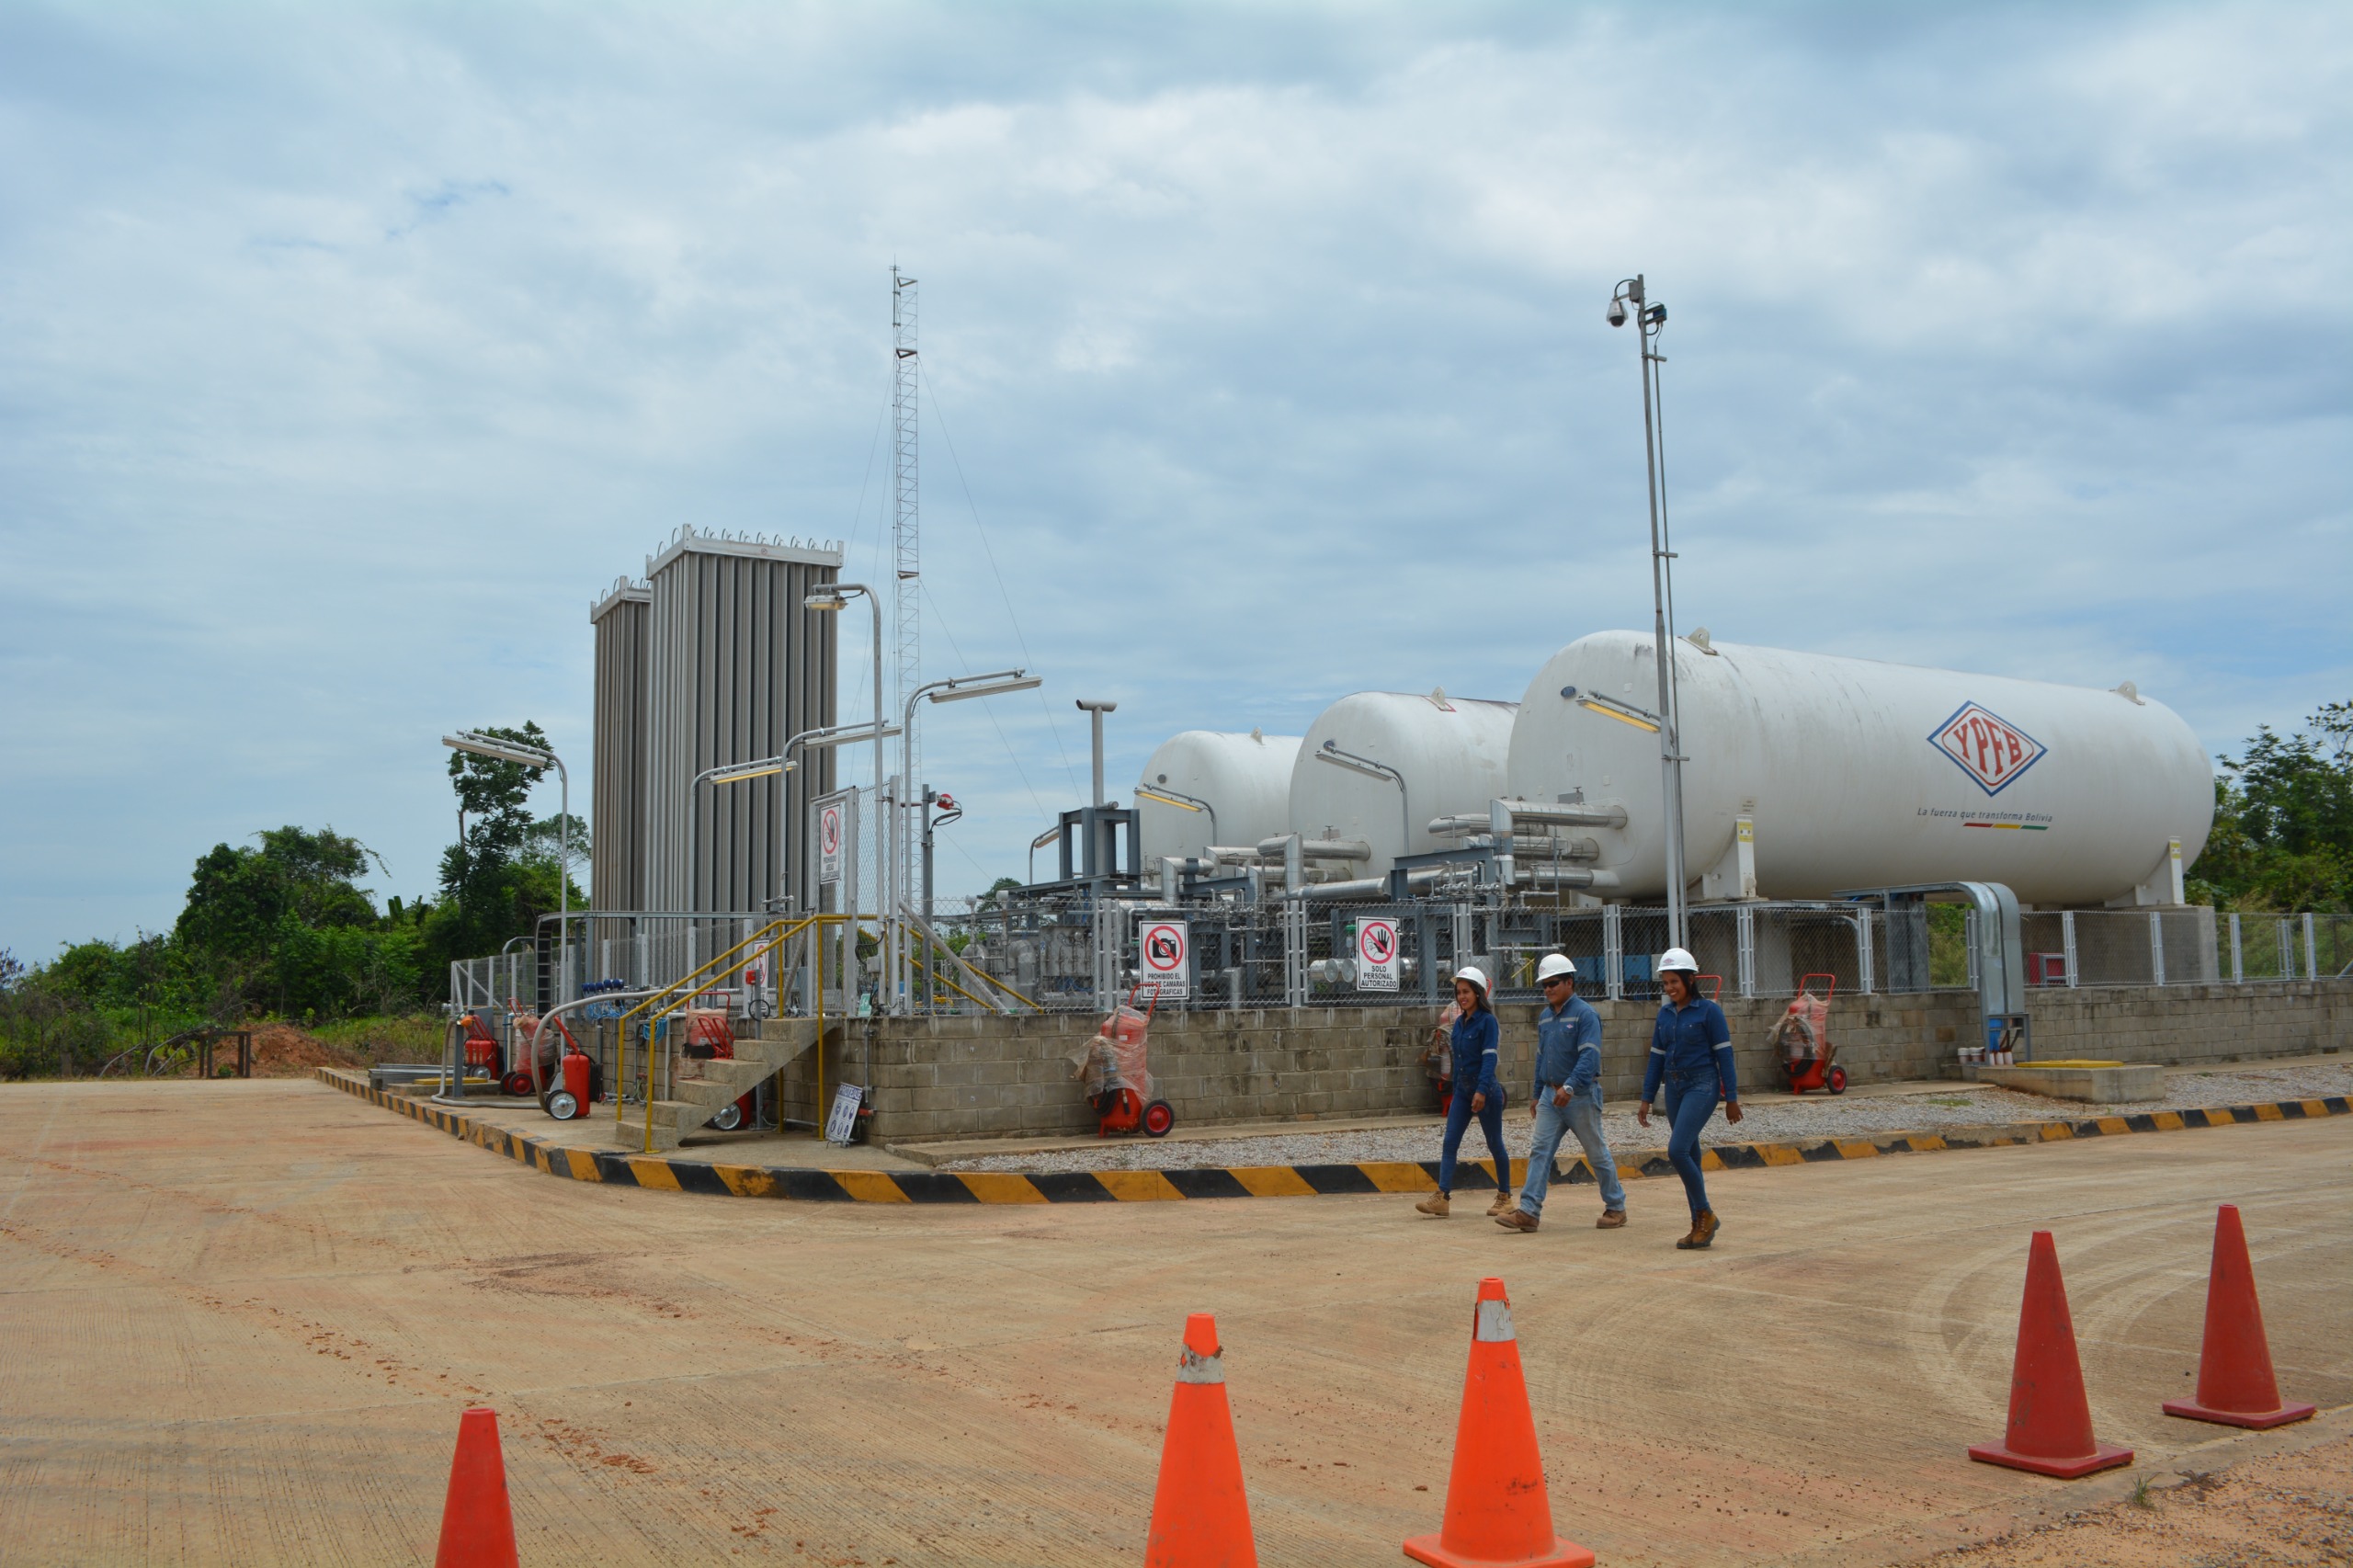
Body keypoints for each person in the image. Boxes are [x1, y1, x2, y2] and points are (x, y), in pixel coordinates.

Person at [1495, 954, 1626, 1233]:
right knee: (1539, 1150)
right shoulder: (1545, 1018)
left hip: (1580, 1096)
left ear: (1569, 982)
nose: (1548, 989)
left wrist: (1569, 1086)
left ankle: (1616, 1207)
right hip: (1549, 1095)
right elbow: (1542, 1057)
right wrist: (1536, 1092)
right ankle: (1529, 1211)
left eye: (1553, 983)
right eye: (1544, 985)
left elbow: (1589, 1058)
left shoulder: (1585, 1015)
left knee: (1596, 1153)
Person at [1636, 947, 1742, 1248]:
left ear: (1690, 980)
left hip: (1703, 1086)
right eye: (1665, 983)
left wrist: (1731, 1098)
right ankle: (1699, 1225)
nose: (1670, 988)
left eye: (1674, 982)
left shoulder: (1709, 1012)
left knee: (1677, 1150)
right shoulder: (1665, 1014)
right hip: (1675, 1089)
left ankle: (1705, 1213)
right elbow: (1656, 1058)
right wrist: (1646, 1097)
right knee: (1690, 1156)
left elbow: (1726, 1057)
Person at [1415, 967, 1513, 1218]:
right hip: (1462, 1090)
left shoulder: (1488, 1022)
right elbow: (1456, 1059)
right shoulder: (1459, 1024)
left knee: (1495, 1144)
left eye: (1466, 991)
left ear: (1478, 993)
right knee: (1450, 1142)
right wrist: (1458, 1087)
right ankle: (1442, 1197)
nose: (1462, 997)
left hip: (1486, 1091)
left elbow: (1490, 1058)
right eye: (1459, 992)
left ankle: (1505, 1197)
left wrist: (1481, 1091)